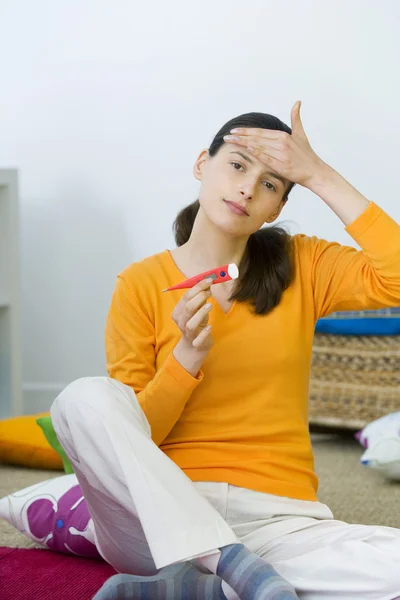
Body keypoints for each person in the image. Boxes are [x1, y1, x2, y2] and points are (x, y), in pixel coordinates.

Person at [50, 102, 400, 600]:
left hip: (283, 523)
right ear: (201, 164)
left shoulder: (304, 264)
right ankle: (231, 569)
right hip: (160, 521)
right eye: (237, 164)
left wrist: (317, 174)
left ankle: (210, 589)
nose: (248, 188)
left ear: (277, 208)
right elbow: (131, 437)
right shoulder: (139, 284)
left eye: (272, 183)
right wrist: (186, 360)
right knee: (84, 399)